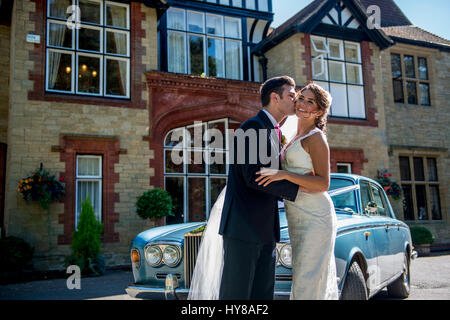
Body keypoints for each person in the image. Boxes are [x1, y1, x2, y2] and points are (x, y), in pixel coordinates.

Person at [188, 76, 300, 300]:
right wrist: (300, 191)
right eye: (291, 94)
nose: (295, 99)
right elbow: (254, 176)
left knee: (262, 294)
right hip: (243, 228)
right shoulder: (252, 127)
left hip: (266, 229)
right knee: (236, 295)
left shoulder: (273, 130)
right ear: (275, 98)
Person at [255, 82, 339, 300]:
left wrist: (284, 175)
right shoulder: (291, 134)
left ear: (319, 111)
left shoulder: (316, 137)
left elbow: (323, 183)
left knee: (308, 278)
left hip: (316, 215)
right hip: (296, 214)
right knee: (301, 274)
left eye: (310, 101)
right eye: (301, 97)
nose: (302, 103)